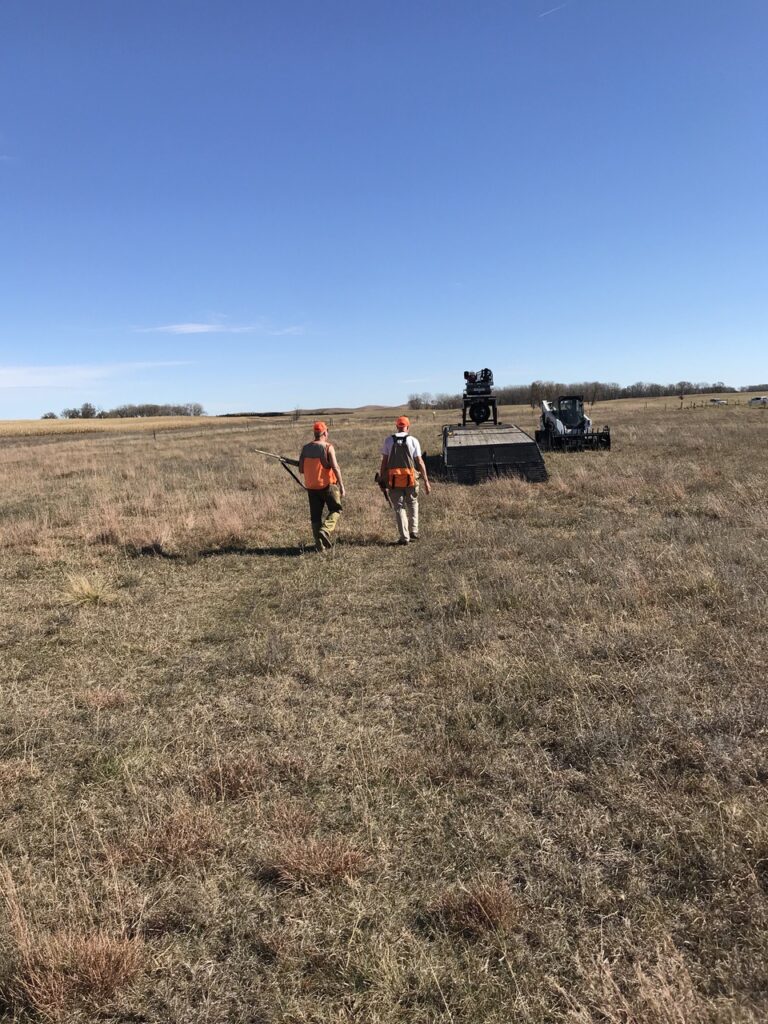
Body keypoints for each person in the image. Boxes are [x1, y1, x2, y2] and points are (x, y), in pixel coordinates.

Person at [379, 415, 431, 545]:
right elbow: (419, 461)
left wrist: (382, 479)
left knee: (399, 508)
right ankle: (414, 531)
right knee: (413, 503)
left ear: (397, 427)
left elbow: (384, 463)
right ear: (408, 427)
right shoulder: (413, 441)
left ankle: (404, 537)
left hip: (394, 480)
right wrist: (426, 481)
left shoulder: (388, 441)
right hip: (411, 479)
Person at [299, 422, 345, 550]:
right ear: (325, 433)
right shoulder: (328, 447)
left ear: (315, 433)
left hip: (311, 487)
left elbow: (301, 469)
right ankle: (325, 530)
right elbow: (335, 467)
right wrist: (341, 485)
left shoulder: (305, 448)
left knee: (315, 516)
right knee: (336, 509)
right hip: (327, 486)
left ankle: (319, 546)